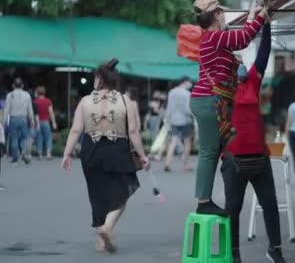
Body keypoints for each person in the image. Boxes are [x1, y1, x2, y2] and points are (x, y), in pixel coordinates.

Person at [61, 59, 150, 254]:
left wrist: (67, 154)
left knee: (98, 195)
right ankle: (107, 227)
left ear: (100, 79)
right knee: (124, 191)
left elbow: (76, 129)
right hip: (116, 149)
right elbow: (133, 131)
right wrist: (143, 156)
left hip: (90, 151)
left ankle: (102, 240)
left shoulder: (85, 101)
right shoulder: (127, 101)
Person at [189, 0, 267, 216]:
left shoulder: (215, 38)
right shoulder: (213, 37)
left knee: (221, 150)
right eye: (222, 12)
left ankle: (218, 197)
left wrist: (253, 13)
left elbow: (239, 38)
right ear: (216, 15)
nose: (225, 16)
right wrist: (262, 15)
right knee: (208, 152)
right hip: (208, 100)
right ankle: (203, 201)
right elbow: (243, 38)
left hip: (211, 100)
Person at [222, 22, 286, 263]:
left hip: (259, 155)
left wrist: (266, 25)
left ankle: (275, 249)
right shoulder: (222, 86)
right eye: (234, 62)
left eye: (239, 61)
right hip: (233, 157)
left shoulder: (252, 81)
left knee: (269, 202)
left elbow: (264, 51)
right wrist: (223, 38)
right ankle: (234, 253)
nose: (239, 64)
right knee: (233, 208)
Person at [163, 78, 194, 172]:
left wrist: (168, 119)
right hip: (185, 120)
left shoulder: (171, 92)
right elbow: (188, 109)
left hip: (174, 121)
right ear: (185, 82)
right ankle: (186, 165)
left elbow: (169, 107)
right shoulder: (187, 93)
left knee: (173, 141)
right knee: (187, 142)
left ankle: (167, 163)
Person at [3, 78, 35, 164]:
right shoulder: (27, 95)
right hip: (24, 118)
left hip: (13, 118)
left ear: (13, 85)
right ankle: (24, 153)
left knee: (14, 138)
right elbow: (30, 109)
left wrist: (4, 121)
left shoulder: (10, 95)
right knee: (24, 138)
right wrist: (32, 120)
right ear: (22, 85)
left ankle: (15, 158)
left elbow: (7, 109)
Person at [34, 86, 57, 160]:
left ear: (37, 93)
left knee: (39, 138)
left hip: (37, 122)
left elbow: (34, 113)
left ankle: (39, 154)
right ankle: (48, 154)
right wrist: (53, 122)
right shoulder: (48, 101)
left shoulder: (35, 101)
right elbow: (51, 112)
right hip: (46, 121)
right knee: (48, 137)